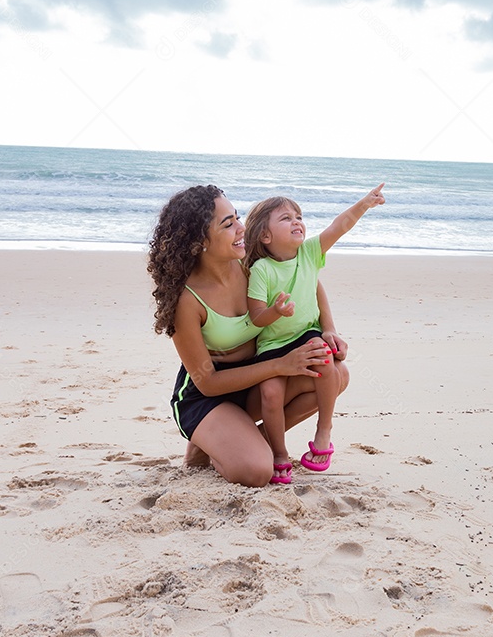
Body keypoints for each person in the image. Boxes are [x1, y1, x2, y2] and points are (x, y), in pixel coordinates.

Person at [147, 185, 349, 487]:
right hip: (207, 397)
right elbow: (208, 382)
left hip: (255, 382)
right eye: (228, 224)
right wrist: (281, 366)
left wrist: (329, 329)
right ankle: (219, 442)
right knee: (255, 472)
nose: (242, 228)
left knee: (336, 374)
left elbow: (306, 280)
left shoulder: (250, 265)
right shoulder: (186, 301)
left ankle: (239, 440)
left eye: (237, 218)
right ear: (199, 240)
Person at [243, 184, 386, 483]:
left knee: (324, 358)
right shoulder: (262, 270)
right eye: (286, 218)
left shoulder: (309, 253)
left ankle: (324, 431)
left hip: (307, 334)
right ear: (265, 236)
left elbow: (339, 226)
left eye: (299, 216)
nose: (297, 221)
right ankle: (279, 454)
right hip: (272, 344)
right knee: (270, 393)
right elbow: (257, 317)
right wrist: (276, 312)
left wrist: (364, 204)